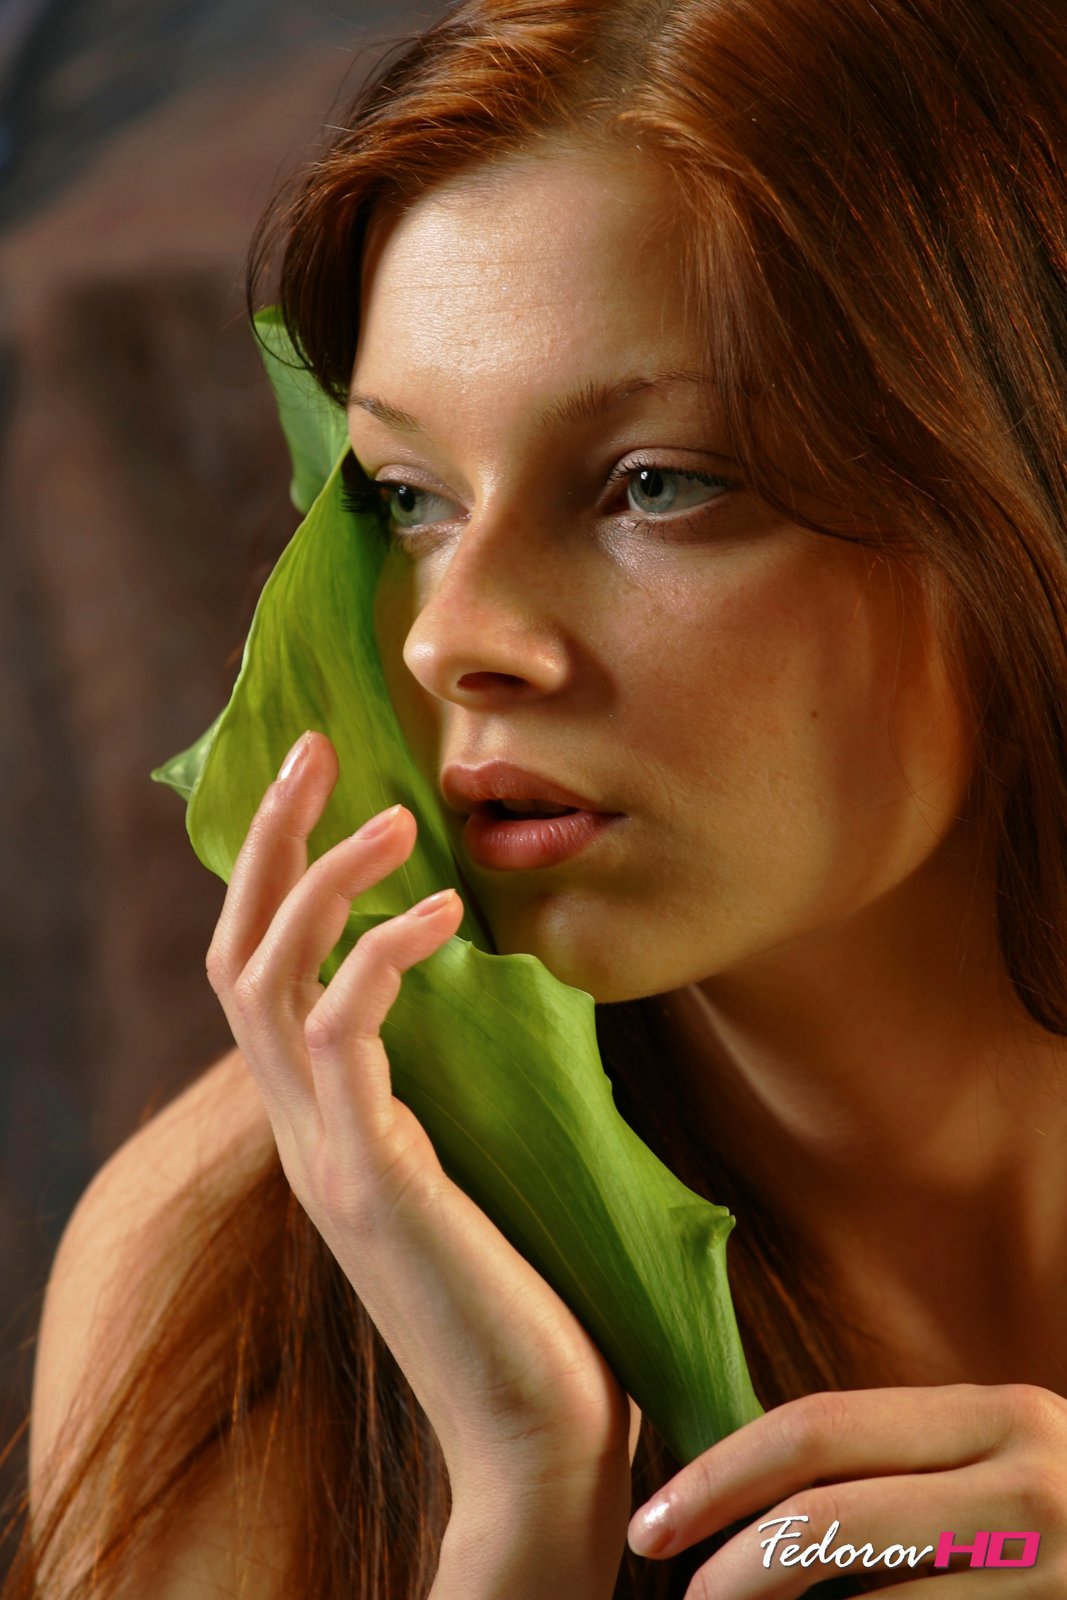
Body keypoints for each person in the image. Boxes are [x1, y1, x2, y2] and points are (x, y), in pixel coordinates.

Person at [13, 0, 1067, 1594]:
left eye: (658, 484)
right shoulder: (251, 1260)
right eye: (408, 497)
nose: (453, 638)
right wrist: (521, 1505)